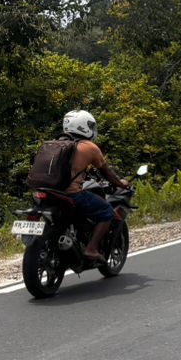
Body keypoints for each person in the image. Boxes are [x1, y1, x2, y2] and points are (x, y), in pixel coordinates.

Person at [61, 110, 129, 262]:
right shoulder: (89, 147)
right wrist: (121, 183)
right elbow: (107, 173)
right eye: (90, 125)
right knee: (106, 210)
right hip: (70, 194)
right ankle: (91, 248)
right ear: (82, 126)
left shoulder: (56, 143)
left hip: (45, 191)